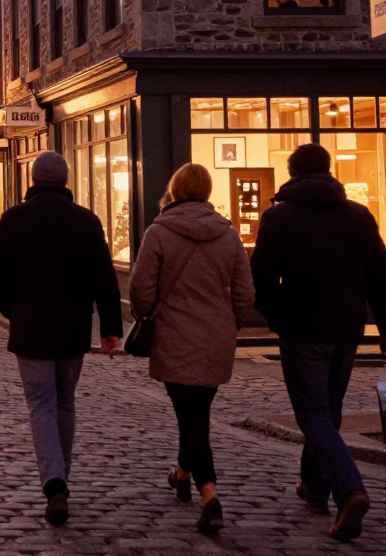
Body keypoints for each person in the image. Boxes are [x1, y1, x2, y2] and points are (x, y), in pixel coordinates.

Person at [251, 143, 386, 542]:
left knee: (313, 413)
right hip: (346, 329)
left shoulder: (278, 217)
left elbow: (262, 278)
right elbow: (381, 279)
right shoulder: (359, 216)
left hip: (302, 330)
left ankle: (349, 489)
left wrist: (277, 318)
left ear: (291, 174)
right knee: (328, 410)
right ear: (328, 171)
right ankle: (314, 489)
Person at [0, 151, 123, 527]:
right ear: (64, 180)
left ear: (33, 179)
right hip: (72, 329)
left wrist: (13, 311)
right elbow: (105, 279)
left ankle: (55, 483)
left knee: (41, 406)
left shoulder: (14, 219)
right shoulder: (86, 221)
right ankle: (61, 478)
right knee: (65, 404)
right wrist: (111, 328)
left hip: (31, 329)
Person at [129, 163, 254, 536]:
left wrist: (147, 314)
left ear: (176, 190)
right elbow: (245, 293)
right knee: (196, 413)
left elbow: (140, 288)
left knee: (191, 417)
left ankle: (209, 494)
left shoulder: (159, 232)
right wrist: (229, 321)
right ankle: (181, 473)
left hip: (175, 335)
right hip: (216, 337)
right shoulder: (228, 235)